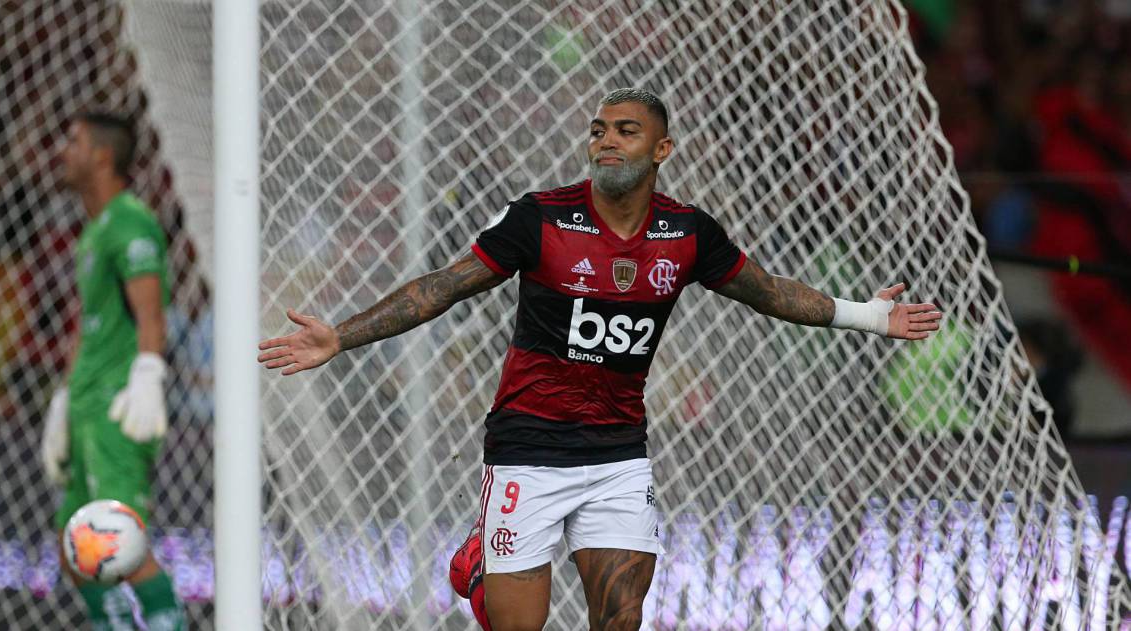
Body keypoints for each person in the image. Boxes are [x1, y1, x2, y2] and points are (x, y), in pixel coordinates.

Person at [257, 88, 943, 631]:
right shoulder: (541, 218)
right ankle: (480, 565)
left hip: (617, 452)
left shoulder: (687, 233)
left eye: (625, 131)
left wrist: (869, 315)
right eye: (597, 130)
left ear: (662, 149)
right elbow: (443, 286)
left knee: (620, 619)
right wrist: (340, 336)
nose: (605, 141)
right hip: (528, 446)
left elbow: (768, 292)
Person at [41, 112, 186, 630]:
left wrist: (148, 375)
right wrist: (63, 400)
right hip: (86, 402)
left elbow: (151, 314)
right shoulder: (96, 230)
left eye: (74, 141)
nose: (63, 151)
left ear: (102, 156)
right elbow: (89, 323)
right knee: (73, 548)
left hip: (116, 405)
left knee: (119, 540)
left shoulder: (130, 221)